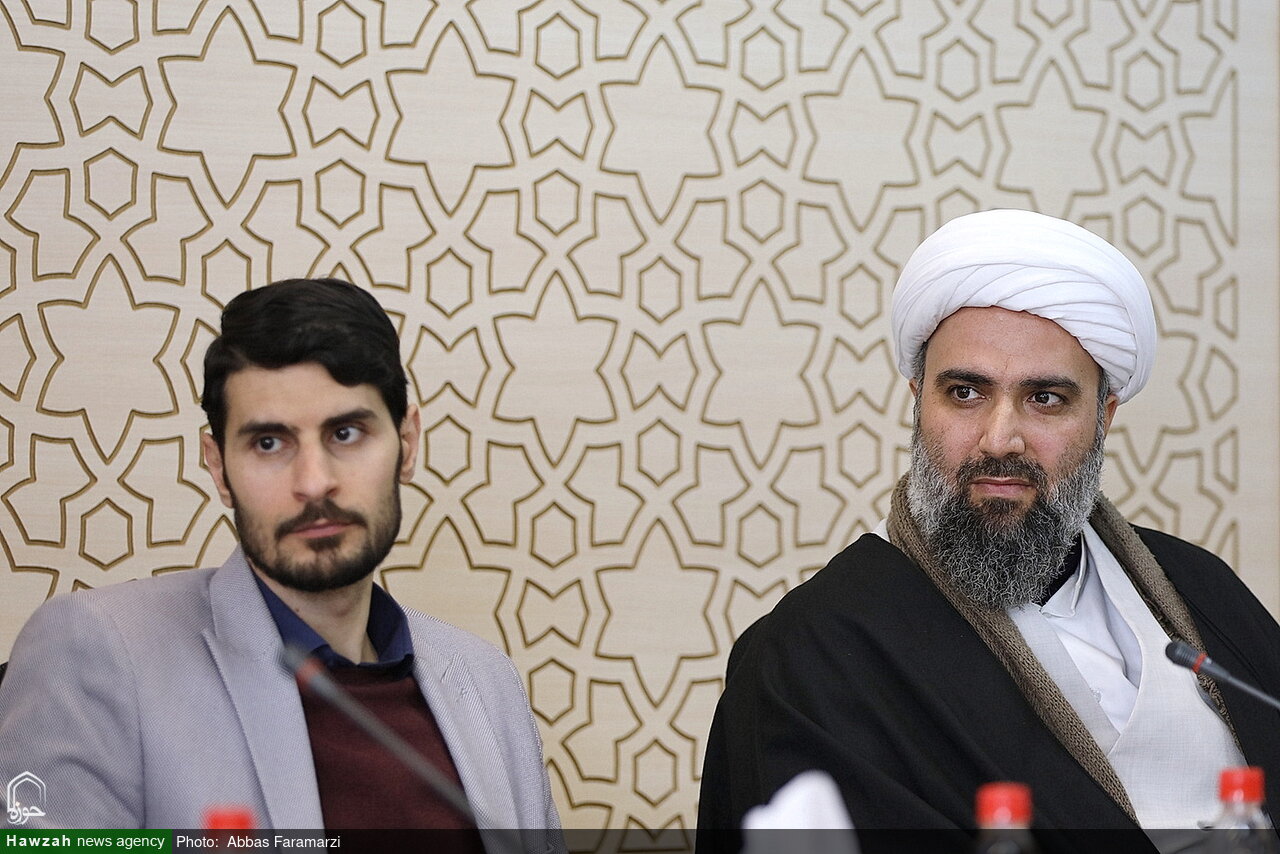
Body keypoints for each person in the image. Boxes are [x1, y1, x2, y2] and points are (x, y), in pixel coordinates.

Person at [697, 210, 1280, 852]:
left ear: (1104, 416)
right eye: (966, 393)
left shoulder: (1200, 588)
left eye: (1046, 398)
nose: (1000, 440)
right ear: (918, 399)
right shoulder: (812, 657)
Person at [0, 278, 561, 843]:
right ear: (219, 467)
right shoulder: (95, 652)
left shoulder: (487, 682)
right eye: (269, 443)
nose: (313, 482)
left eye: (346, 433)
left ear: (407, 443)